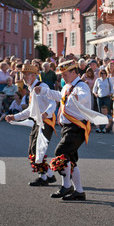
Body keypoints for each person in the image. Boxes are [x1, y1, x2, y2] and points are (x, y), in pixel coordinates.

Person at [35, 59, 92, 200]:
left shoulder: (81, 86)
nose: (63, 76)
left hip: (77, 127)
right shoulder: (67, 86)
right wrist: (44, 91)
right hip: (68, 127)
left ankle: (67, 186)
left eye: (65, 73)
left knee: (61, 152)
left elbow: (83, 97)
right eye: (61, 74)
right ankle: (79, 191)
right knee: (70, 158)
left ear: (74, 72)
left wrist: (75, 97)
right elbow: (59, 96)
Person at [5, 64, 57, 186]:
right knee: (33, 149)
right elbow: (30, 110)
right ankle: (47, 175)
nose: (23, 77)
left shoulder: (42, 87)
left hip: (46, 122)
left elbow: (52, 103)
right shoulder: (31, 89)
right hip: (37, 122)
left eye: (26, 74)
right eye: (23, 74)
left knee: (37, 149)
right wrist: (15, 117)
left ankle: (45, 176)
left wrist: (46, 113)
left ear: (33, 75)